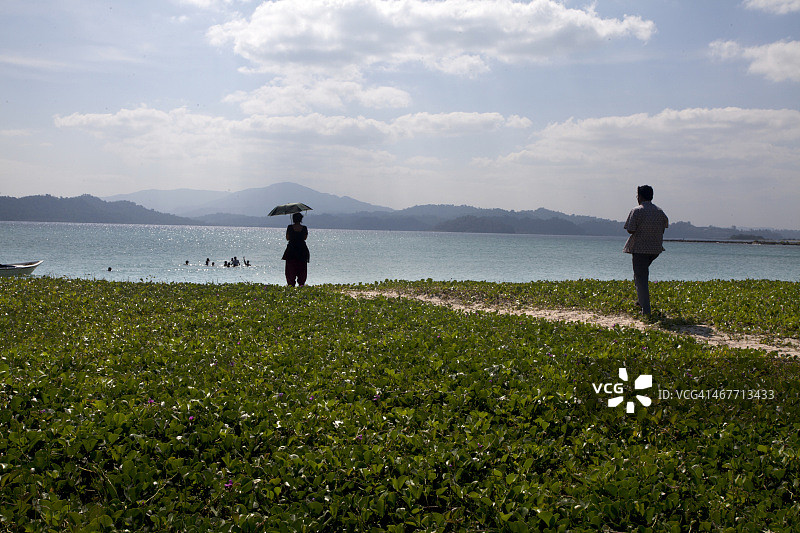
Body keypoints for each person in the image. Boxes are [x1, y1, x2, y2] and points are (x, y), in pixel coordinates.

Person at [623, 185, 669, 315]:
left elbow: (630, 229)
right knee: (640, 275)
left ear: (640, 197)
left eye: (637, 196)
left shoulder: (637, 210)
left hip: (640, 249)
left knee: (641, 277)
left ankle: (646, 311)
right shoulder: (660, 211)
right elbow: (664, 227)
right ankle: (640, 302)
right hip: (655, 249)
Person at [282, 212, 310, 286]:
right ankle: (301, 285)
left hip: (291, 250)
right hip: (302, 250)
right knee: (302, 270)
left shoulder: (290, 227)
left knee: (290, 270)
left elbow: (287, 238)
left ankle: (291, 286)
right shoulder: (304, 228)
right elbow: (305, 238)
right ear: (301, 219)